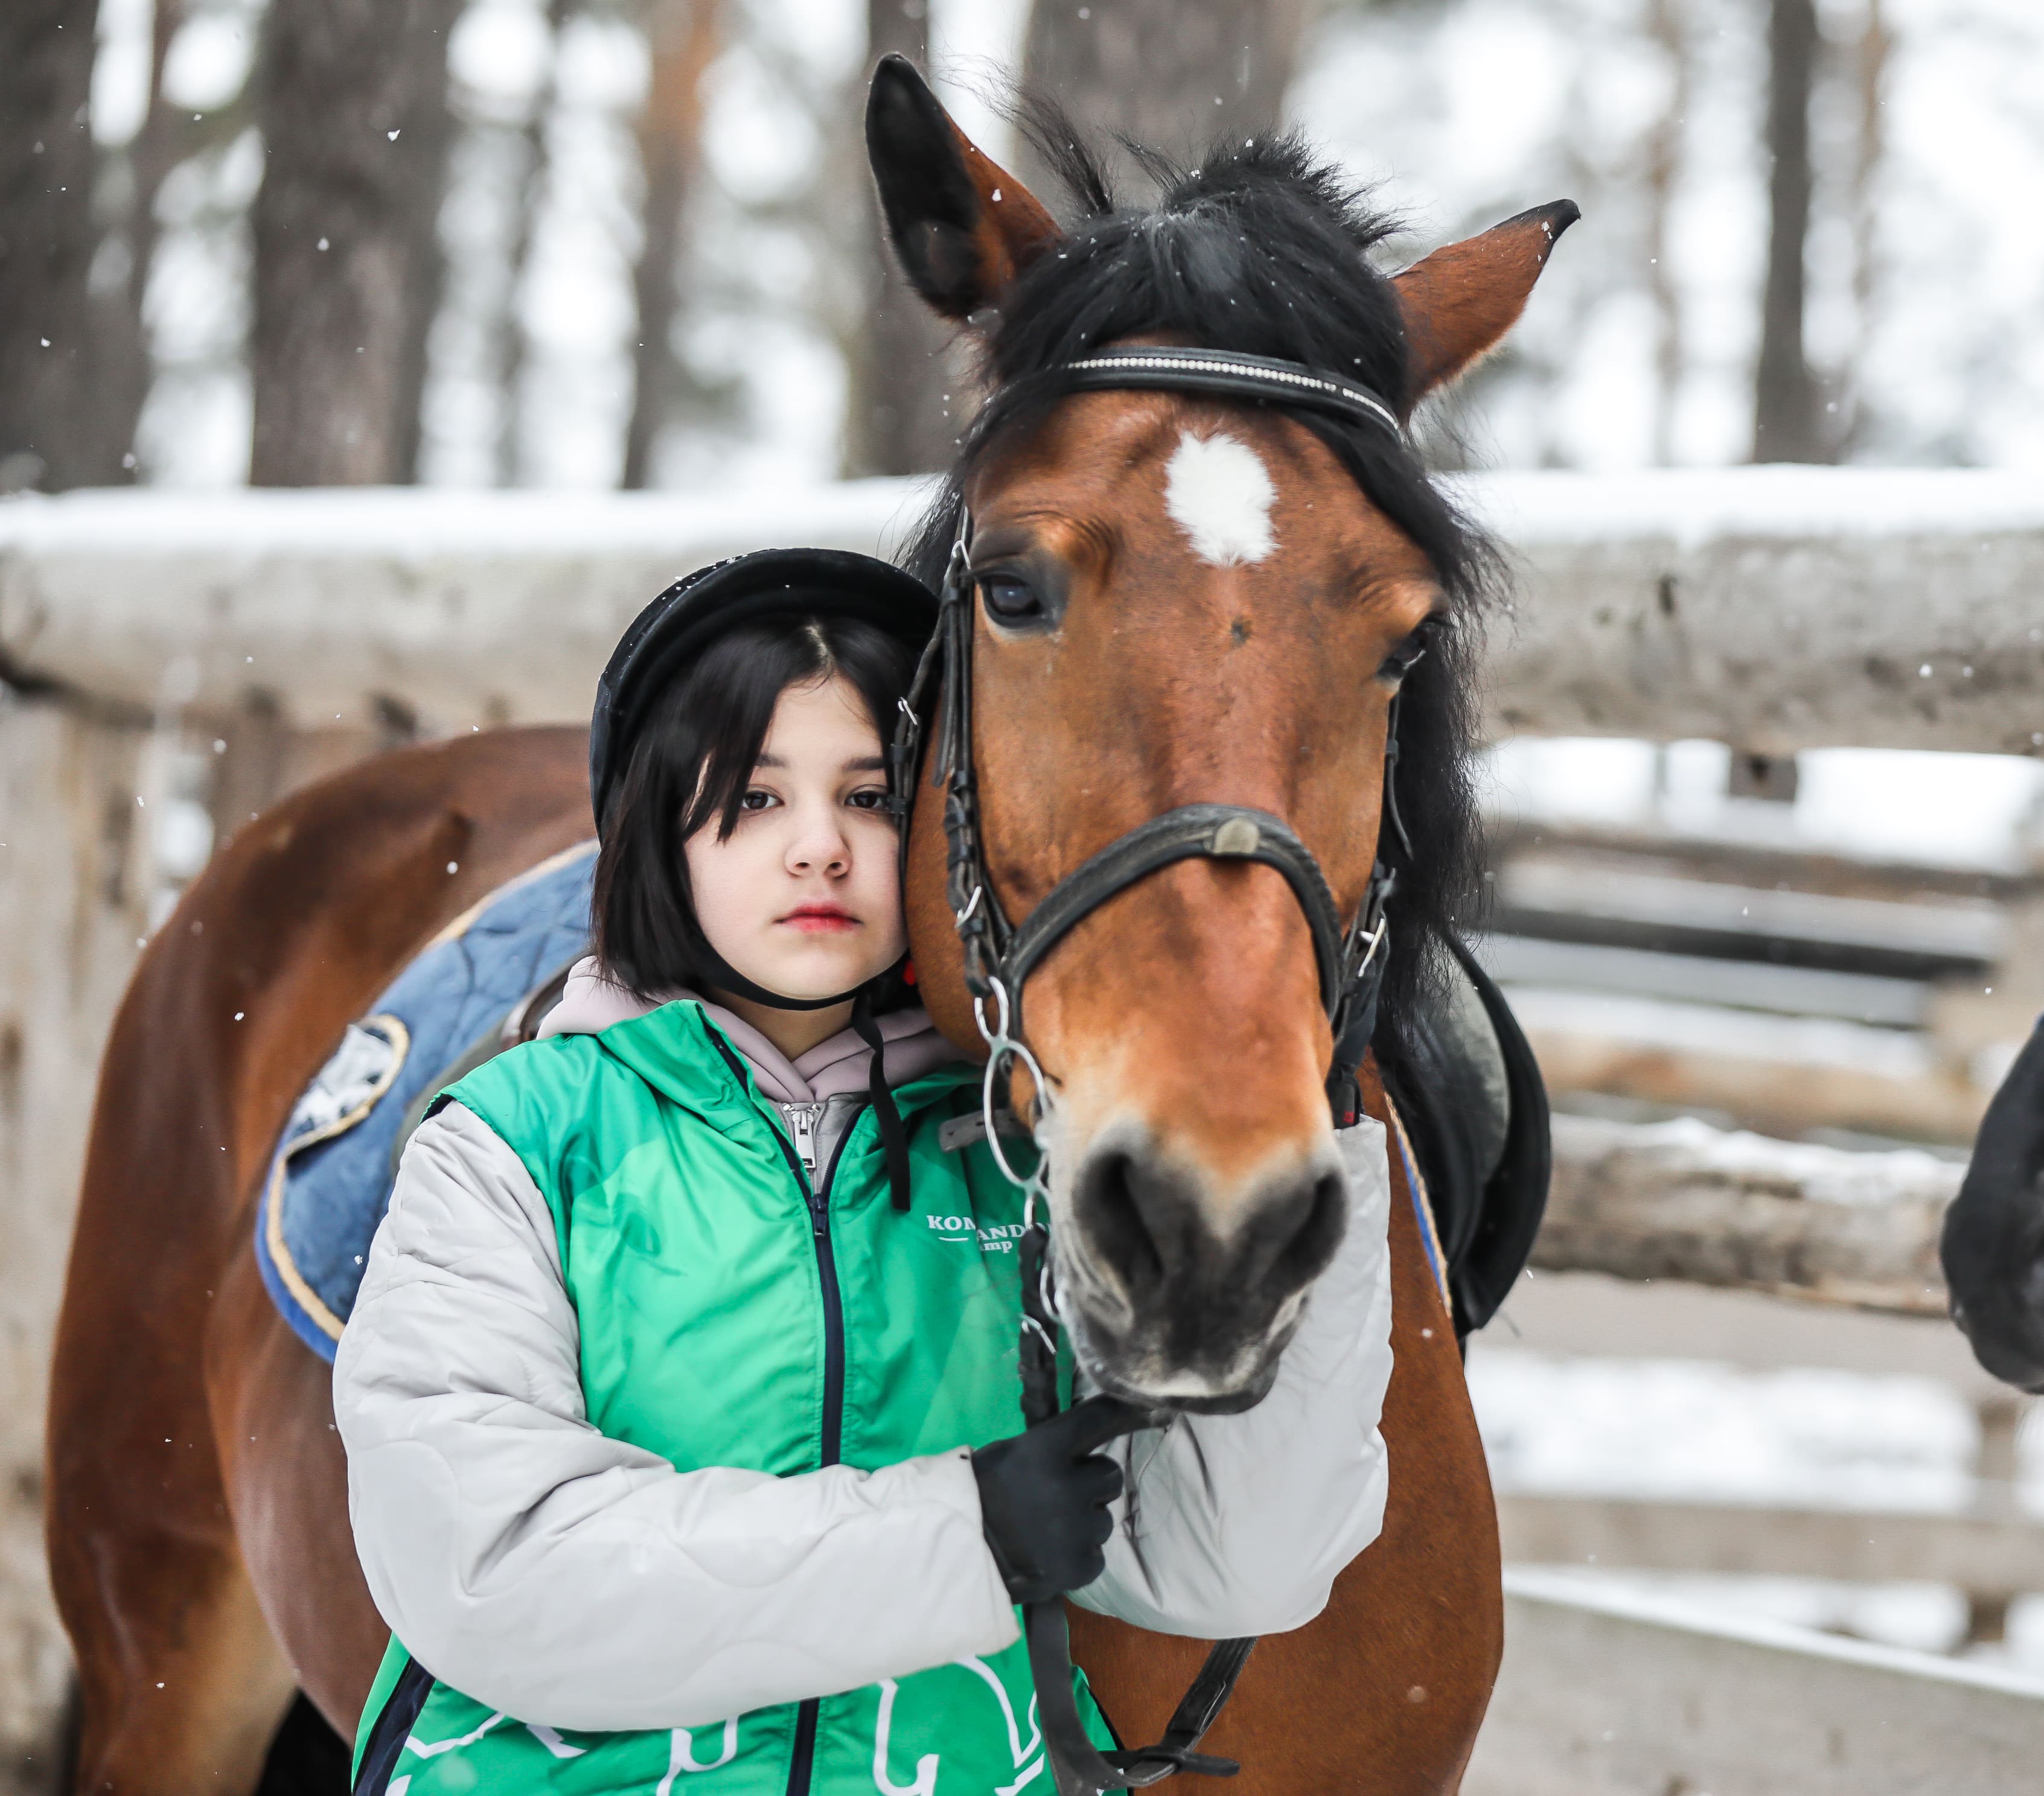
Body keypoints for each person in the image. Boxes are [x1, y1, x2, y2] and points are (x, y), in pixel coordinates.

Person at [332, 549, 1396, 1796]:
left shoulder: (1023, 1164)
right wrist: (967, 1533)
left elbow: (1234, 1565)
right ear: (655, 835)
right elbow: (492, 1574)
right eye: (756, 799)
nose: (820, 851)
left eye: (872, 797)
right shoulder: (515, 1144)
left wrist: (1312, 1126)